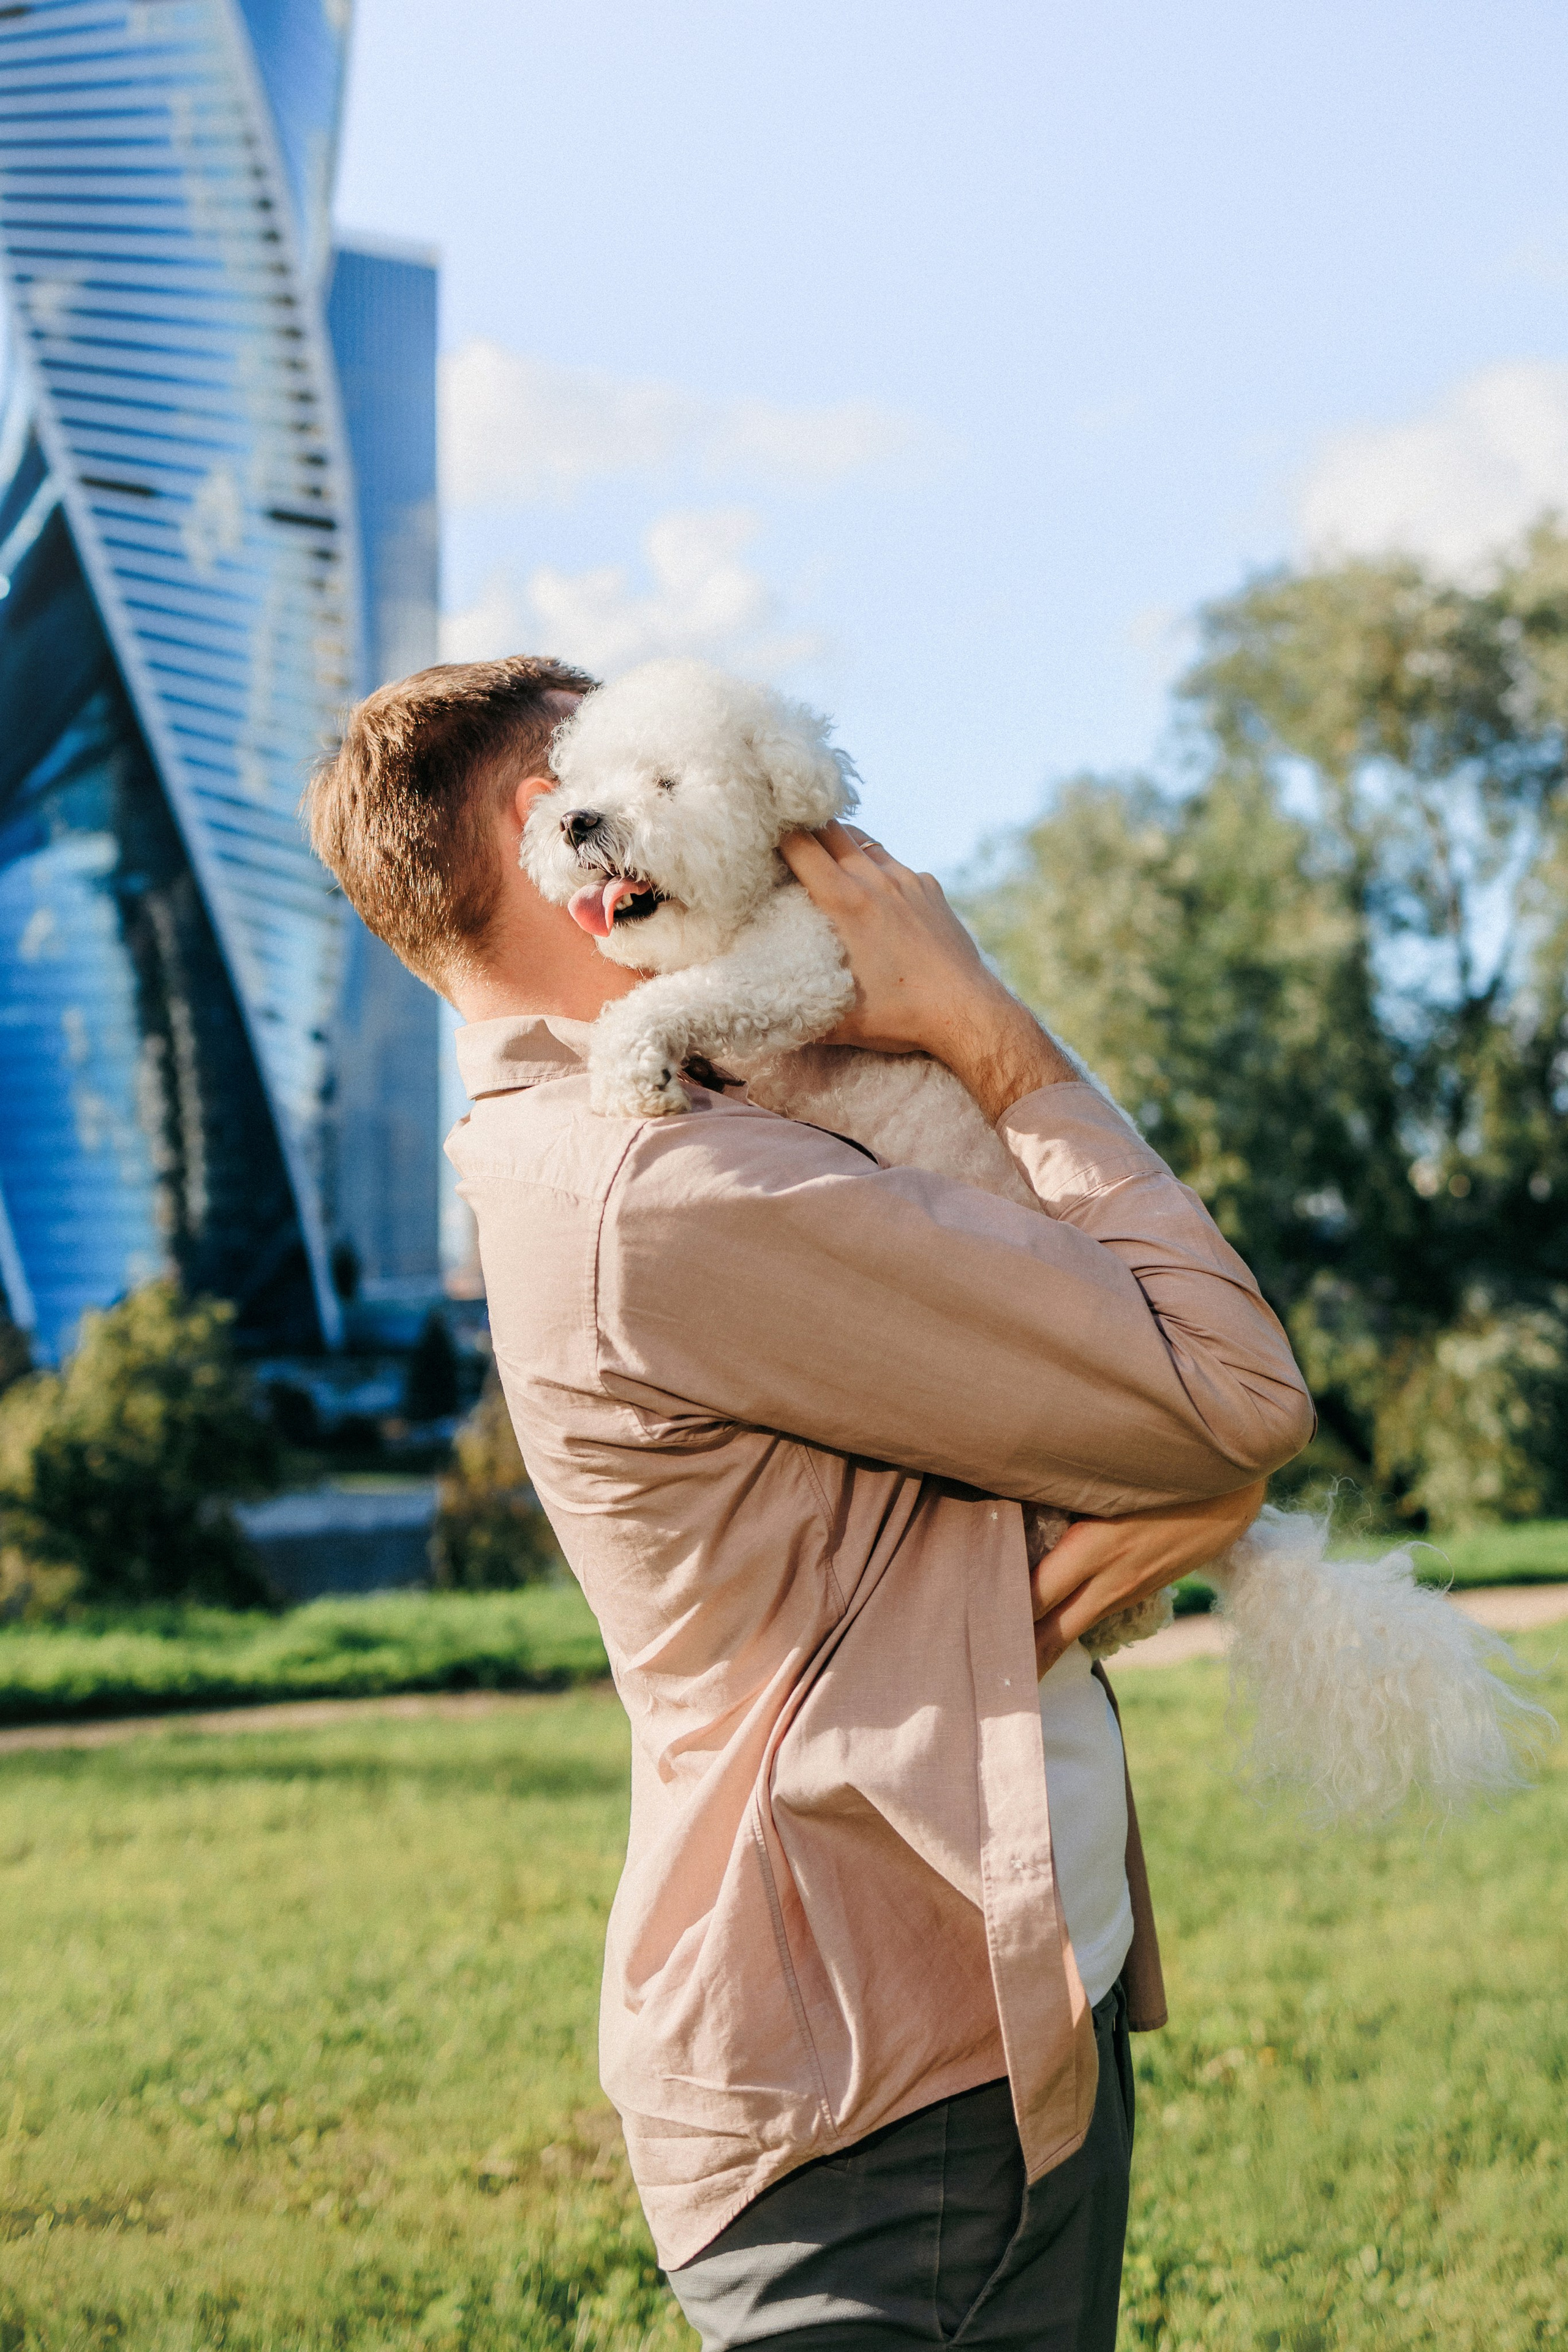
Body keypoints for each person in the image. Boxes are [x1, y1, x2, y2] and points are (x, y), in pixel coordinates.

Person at [307, 655, 1314, 2350]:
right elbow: (1239, 1392)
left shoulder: (684, 1127)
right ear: (539, 811)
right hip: (881, 2088)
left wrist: (1185, 1482)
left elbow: (1135, 1442)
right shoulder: (662, 1177)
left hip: (948, 2030)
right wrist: (986, 1026)